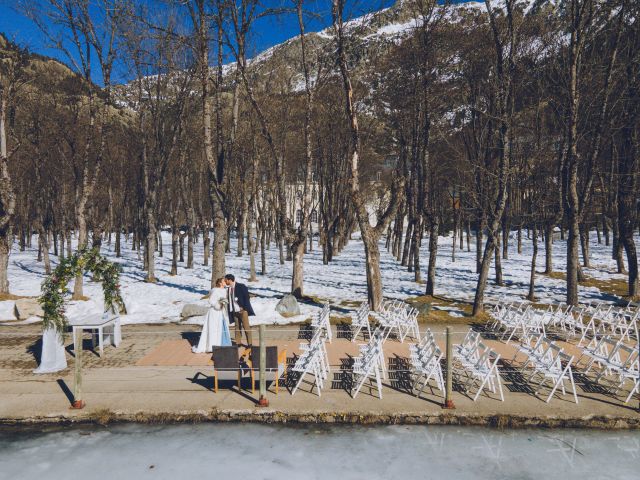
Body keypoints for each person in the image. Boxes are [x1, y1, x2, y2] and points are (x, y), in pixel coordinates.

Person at [192, 278, 231, 353]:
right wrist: (218, 305)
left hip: (221, 312)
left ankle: (222, 344)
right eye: (223, 281)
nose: (225, 282)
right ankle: (212, 346)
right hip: (215, 312)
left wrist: (224, 304)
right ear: (220, 283)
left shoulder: (224, 291)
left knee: (221, 327)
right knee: (213, 328)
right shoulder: (215, 290)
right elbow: (211, 301)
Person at [225, 274, 255, 347]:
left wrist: (243, 307)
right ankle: (238, 343)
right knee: (237, 327)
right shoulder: (228, 289)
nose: (225, 281)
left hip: (242, 311)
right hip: (234, 311)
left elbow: (247, 297)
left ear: (230, 280)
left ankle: (250, 343)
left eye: (226, 280)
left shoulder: (241, 286)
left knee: (246, 327)